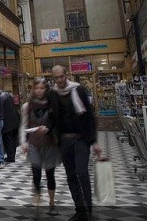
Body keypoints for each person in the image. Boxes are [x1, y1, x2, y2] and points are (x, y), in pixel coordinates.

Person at [41, 65, 100, 221]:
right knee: (71, 176)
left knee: (82, 172)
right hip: (65, 141)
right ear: (52, 78)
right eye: (56, 78)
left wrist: (94, 141)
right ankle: (80, 211)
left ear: (66, 75)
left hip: (81, 139)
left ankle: (88, 208)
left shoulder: (78, 90)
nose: (59, 80)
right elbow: (52, 117)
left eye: (61, 76)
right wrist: (47, 128)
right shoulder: (53, 94)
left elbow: (89, 115)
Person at [20, 78, 61, 215]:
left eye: (42, 88)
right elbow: (24, 125)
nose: (39, 91)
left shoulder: (52, 105)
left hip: (49, 143)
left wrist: (49, 129)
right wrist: (23, 142)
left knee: (50, 174)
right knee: (36, 174)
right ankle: (37, 204)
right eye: (36, 88)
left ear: (46, 89)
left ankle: (52, 202)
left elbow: (56, 123)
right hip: (34, 144)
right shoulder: (27, 106)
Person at [0, 84, 19, 163]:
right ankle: (12, 155)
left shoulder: (0, 97)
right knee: (13, 139)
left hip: (7, 122)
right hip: (14, 120)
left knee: (8, 139)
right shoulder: (7, 94)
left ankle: (10, 157)